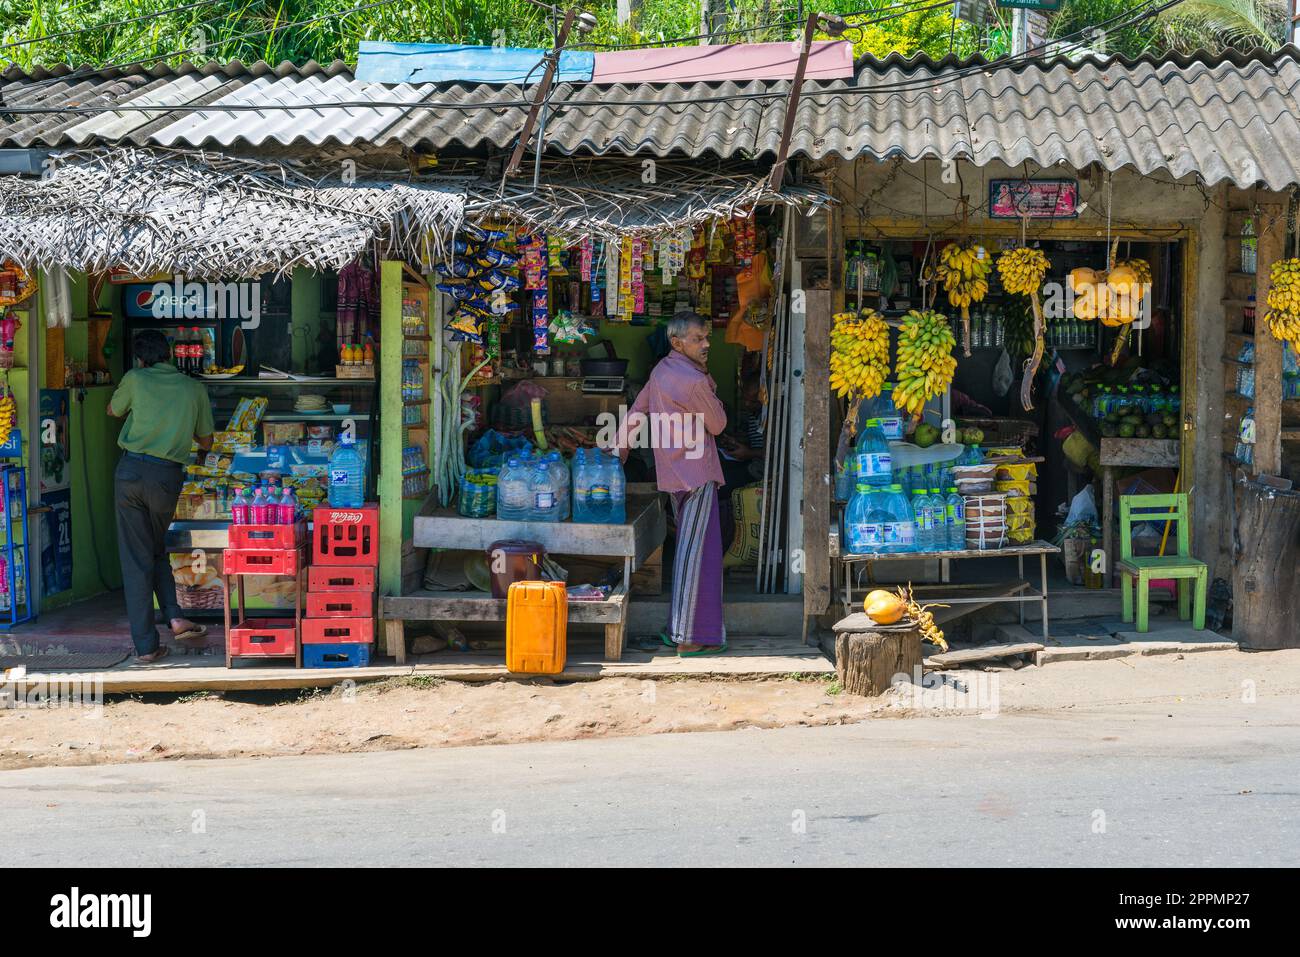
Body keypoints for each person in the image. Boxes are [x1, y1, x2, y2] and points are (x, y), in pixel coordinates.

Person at [611, 311, 728, 655]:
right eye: (698, 339)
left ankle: (679, 627)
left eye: (707, 337)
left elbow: (637, 412)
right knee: (700, 555)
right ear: (677, 342)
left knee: (689, 550)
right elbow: (718, 424)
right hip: (697, 474)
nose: (706, 344)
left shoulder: (662, 370)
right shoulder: (692, 381)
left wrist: (616, 452)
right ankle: (690, 638)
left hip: (673, 473)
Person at [108, 330, 215, 663]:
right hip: (166, 478)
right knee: (155, 549)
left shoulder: (135, 378)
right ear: (169, 354)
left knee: (137, 558)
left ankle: (146, 647)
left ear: (140, 358)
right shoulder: (193, 388)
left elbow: (113, 410)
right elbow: (207, 442)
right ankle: (175, 616)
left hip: (129, 475)